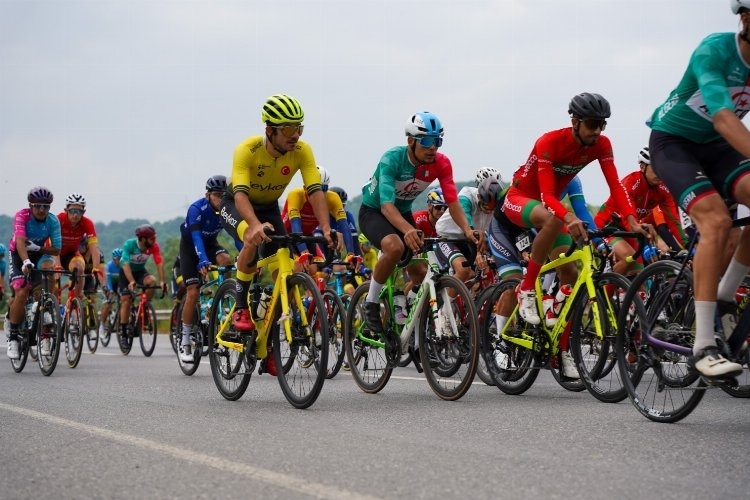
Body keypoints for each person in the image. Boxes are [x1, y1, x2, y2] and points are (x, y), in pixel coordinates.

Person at [644, 1, 750, 379]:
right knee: (717, 223)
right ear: (745, 18)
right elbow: (723, 117)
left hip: (719, 148)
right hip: (675, 142)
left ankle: (726, 291)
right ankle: (703, 343)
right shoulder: (715, 49)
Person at [502, 93, 648, 325]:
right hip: (520, 199)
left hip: (549, 209)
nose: (598, 130)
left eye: (602, 124)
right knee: (555, 219)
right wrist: (569, 217)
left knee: (569, 272)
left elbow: (616, 186)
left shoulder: (601, 144)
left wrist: (631, 221)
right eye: (592, 124)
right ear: (575, 122)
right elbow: (547, 195)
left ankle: (558, 330)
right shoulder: (548, 142)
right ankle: (526, 289)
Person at [219, 94, 333, 366]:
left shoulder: (302, 150)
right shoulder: (246, 150)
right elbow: (241, 197)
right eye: (289, 129)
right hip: (237, 204)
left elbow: (315, 191)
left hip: (269, 207)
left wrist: (327, 228)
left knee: (288, 271)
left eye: (299, 128)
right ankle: (241, 308)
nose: (296, 135)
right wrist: (254, 226)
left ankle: (269, 341)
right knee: (250, 237)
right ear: (270, 130)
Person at [358, 111, 478, 344]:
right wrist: (408, 230)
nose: (433, 147)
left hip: (402, 212)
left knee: (421, 271)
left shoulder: (441, 163)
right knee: (394, 246)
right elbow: (386, 207)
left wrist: (467, 230)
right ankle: (371, 302)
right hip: (375, 210)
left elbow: (453, 204)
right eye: (427, 141)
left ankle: (413, 325)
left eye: (437, 141)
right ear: (410, 141)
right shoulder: (391, 159)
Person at [594, 146, 684, 276]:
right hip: (608, 227)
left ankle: (626, 294)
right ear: (642, 167)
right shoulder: (631, 183)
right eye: (655, 168)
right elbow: (627, 217)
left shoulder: (663, 190)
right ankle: (600, 293)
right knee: (628, 258)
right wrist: (645, 244)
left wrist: (686, 247)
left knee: (638, 274)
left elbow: (673, 221)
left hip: (629, 231)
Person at [177, 175, 234, 363]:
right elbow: (195, 237)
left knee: (226, 260)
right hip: (190, 247)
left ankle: (222, 299)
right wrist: (202, 259)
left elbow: (238, 234)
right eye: (217, 195)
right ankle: (184, 340)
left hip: (210, 244)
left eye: (224, 195)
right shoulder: (196, 209)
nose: (221, 199)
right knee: (193, 292)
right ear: (208, 195)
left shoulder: (227, 209)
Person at [5, 187, 62, 359]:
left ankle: (45, 307)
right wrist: (25, 261)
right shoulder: (22, 216)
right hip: (18, 253)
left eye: (46, 207)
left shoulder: (52, 221)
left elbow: (56, 249)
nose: (42, 210)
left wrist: (38, 248)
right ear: (30, 205)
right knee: (22, 290)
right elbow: (21, 241)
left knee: (49, 270)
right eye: (37, 206)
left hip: (38, 252)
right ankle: (13, 337)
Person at [435, 169, 505, 284]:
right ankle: (446, 301)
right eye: (485, 207)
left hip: (469, 241)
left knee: (485, 272)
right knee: (463, 271)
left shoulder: (498, 203)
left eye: (492, 209)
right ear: (479, 196)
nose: (488, 212)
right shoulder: (466, 196)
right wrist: (477, 253)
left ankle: (469, 300)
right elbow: (467, 226)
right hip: (448, 238)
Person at [281, 165, 354, 266]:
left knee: (318, 271)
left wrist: (351, 253)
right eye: (312, 189)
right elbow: (295, 227)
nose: (317, 193)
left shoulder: (333, 198)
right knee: (298, 266)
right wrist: (304, 251)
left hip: (307, 236)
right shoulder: (296, 195)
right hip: (287, 235)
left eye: (322, 188)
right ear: (304, 187)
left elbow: (344, 226)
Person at [118, 224, 167, 349]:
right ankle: (123, 334)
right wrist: (131, 281)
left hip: (140, 271)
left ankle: (144, 306)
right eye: (151, 239)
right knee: (126, 301)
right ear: (143, 239)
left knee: (152, 281)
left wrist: (162, 281)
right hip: (126, 273)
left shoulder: (154, 246)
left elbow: (159, 262)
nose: (154, 241)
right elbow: (125, 264)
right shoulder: (129, 245)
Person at [55, 193, 102, 299]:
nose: (75, 215)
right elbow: (51, 243)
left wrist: (95, 268)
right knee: (53, 286)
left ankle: (75, 300)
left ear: (83, 212)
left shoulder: (87, 223)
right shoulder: (58, 220)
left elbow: (94, 248)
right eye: (72, 211)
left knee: (80, 268)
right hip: (54, 253)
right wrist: (57, 265)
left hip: (70, 254)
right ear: (66, 210)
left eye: (79, 211)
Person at [99, 247, 122, 339]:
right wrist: (110, 291)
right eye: (118, 259)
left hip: (118, 284)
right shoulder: (108, 266)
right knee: (108, 304)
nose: (119, 261)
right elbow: (107, 280)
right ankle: (101, 325)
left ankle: (117, 316)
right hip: (108, 285)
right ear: (113, 259)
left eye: (121, 259)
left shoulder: (123, 265)